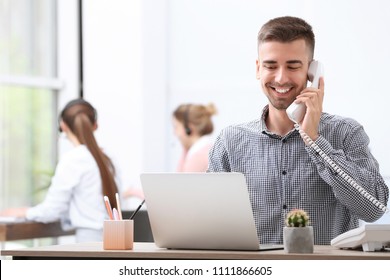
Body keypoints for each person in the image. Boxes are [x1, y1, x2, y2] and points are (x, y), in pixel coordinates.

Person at [208, 16, 389, 245]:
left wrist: (314, 140)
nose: (281, 77)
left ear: (312, 72)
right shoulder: (230, 141)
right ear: (258, 69)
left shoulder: (346, 133)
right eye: (271, 66)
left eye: (293, 66)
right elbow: (210, 222)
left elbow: (374, 207)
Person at [0, 98, 119, 242]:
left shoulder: (73, 159)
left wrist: (23, 212)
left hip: (89, 242)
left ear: (63, 125)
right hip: (116, 238)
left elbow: (52, 210)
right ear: (95, 125)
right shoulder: (108, 158)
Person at [173, 103, 217, 172]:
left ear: (189, 129)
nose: (174, 133)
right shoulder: (207, 147)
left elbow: (180, 180)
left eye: (176, 127)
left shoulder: (198, 156)